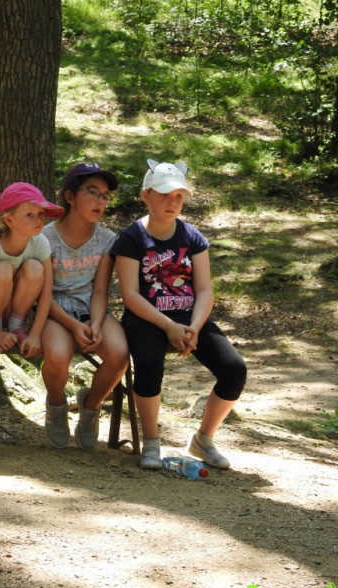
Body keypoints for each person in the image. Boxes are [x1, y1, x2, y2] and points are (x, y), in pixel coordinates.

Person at [112, 159, 247, 470]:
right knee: (149, 363)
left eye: (178, 196)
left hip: (190, 318)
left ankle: (204, 439)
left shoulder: (192, 236)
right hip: (146, 318)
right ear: (145, 196)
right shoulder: (131, 238)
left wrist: (195, 327)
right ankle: (151, 441)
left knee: (234, 370)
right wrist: (169, 326)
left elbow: (204, 290)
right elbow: (130, 295)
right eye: (163, 195)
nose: (172, 202)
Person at [41, 163, 130, 450]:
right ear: (70, 196)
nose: (100, 201)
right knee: (57, 355)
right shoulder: (45, 237)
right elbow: (42, 295)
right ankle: (56, 406)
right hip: (54, 310)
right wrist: (72, 325)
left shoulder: (107, 239)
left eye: (105, 196)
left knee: (119, 354)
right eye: (92, 192)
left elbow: (101, 290)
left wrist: (95, 324)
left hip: (93, 309)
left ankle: (90, 407)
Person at [0, 182, 61, 357]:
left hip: (14, 309)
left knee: (34, 267)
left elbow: (46, 292)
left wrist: (35, 334)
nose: (38, 220)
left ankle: (15, 326)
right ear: (9, 220)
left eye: (41, 214)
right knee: (2, 269)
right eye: (29, 215)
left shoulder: (40, 243)